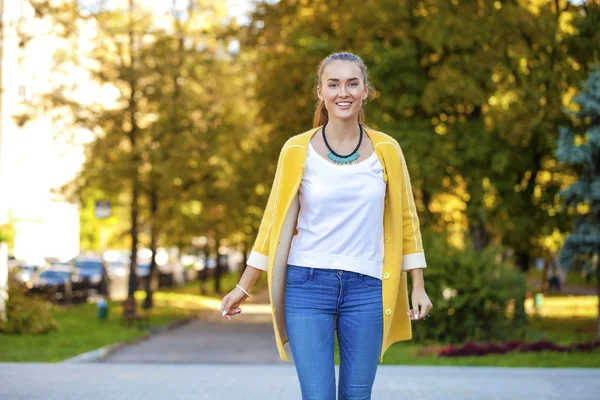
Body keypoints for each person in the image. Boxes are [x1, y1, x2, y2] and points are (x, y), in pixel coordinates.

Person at [220, 51, 433, 399]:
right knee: (317, 395)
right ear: (320, 92)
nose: (343, 92)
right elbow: (273, 225)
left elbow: (407, 220)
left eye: (352, 83)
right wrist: (244, 287)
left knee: (356, 396)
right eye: (333, 84)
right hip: (306, 285)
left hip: (367, 288)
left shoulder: (387, 150)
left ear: (366, 90)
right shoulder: (296, 150)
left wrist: (418, 285)